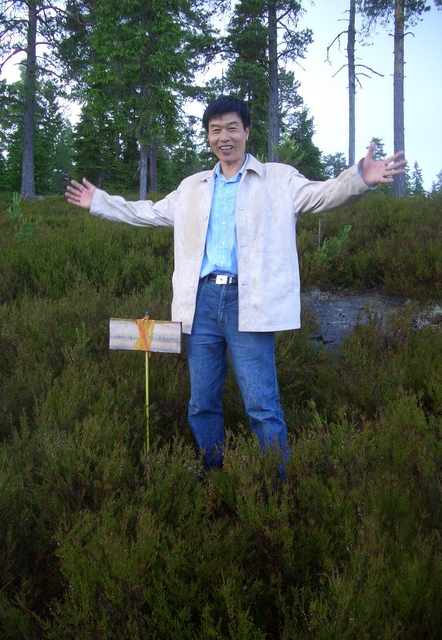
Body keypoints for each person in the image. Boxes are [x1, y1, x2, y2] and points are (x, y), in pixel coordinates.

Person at [65, 95, 406, 478]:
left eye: (231, 128)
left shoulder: (278, 179)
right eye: (215, 130)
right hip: (202, 301)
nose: (223, 137)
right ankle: (213, 474)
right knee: (201, 402)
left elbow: (322, 194)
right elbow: (147, 212)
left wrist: (358, 177)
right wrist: (101, 202)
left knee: (262, 403)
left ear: (246, 131)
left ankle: (277, 488)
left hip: (250, 300)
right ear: (208, 137)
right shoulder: (192, 187)